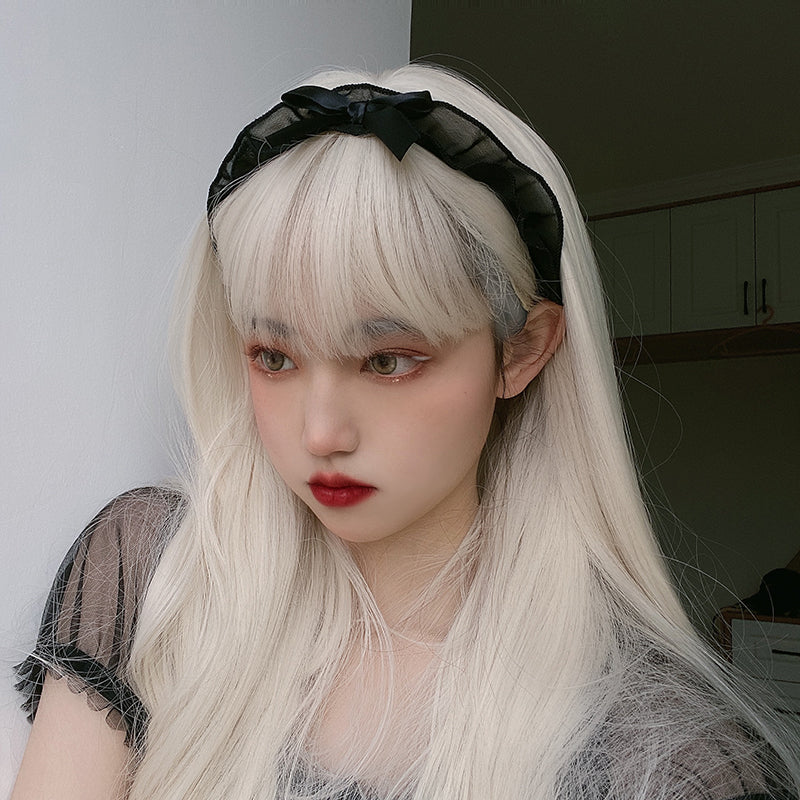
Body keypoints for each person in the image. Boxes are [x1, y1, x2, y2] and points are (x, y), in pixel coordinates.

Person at [11, 63, 800, 800]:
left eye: (387, 360)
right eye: (275, 356)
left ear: (520, 351)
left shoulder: (660, 753)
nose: (321, 433)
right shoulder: (157, 580)